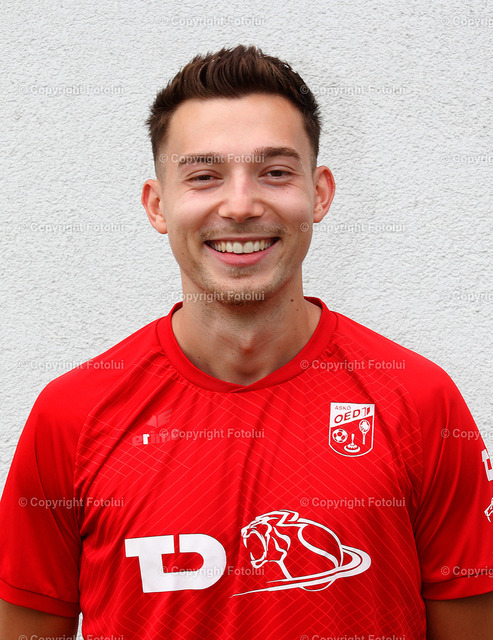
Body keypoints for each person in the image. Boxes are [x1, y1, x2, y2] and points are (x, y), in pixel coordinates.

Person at [0, 44, 492, 640]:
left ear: (319, 194)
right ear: (158, 204)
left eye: (275, 173)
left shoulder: (421, 403)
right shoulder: (71, 418)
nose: (239, 206)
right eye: (203, 177)